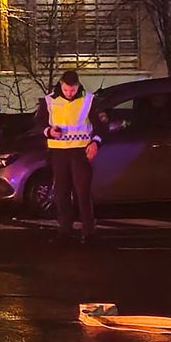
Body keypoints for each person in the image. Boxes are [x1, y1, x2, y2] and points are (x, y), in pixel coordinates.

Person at [41, 69, 98, 241]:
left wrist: (96, 142)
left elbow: (102, 126)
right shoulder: (49, 101)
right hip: (59, 153)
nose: (69, 93)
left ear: (78, 85)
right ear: (61, 85)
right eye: (66, 89)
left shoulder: (88, 100)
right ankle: (64, 230)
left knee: (83, 192)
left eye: (72, 90)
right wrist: (48, 131)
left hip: (80, 152)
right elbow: (38, 124)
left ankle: (88, 232)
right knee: (61, 192)